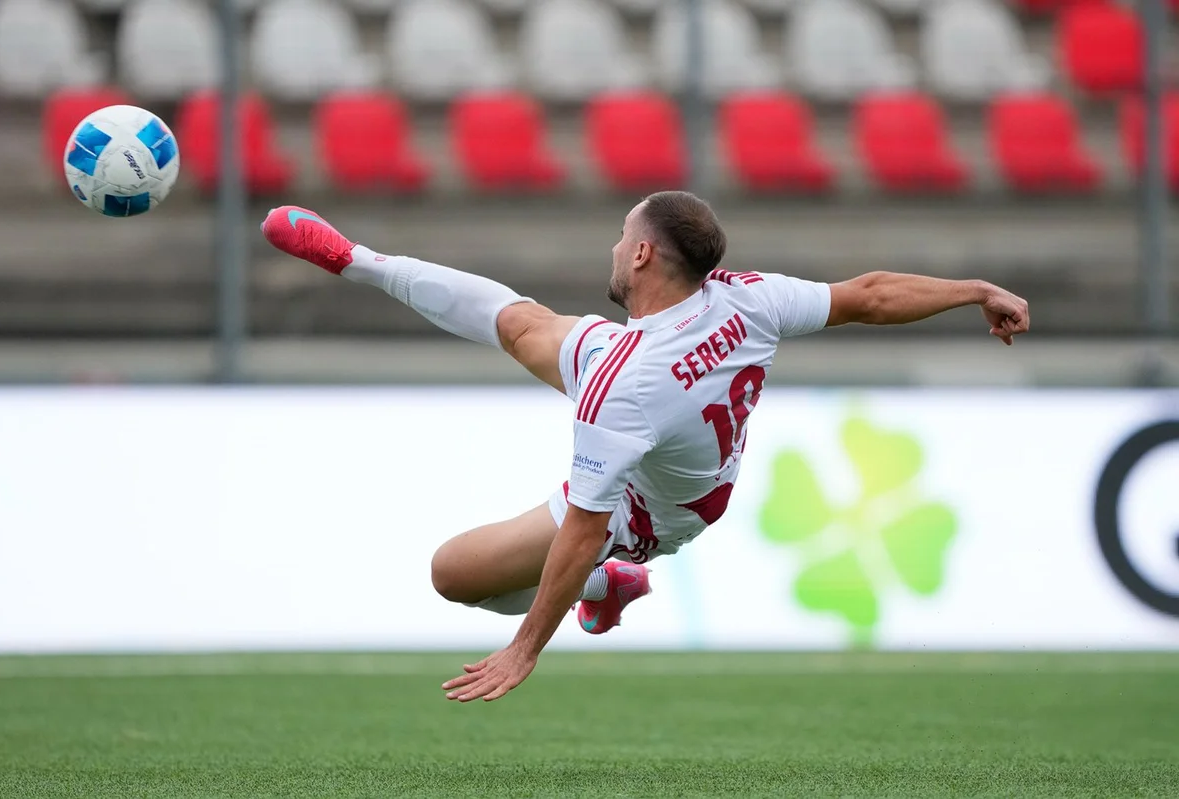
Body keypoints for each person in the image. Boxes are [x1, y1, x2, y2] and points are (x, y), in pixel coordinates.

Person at [262, 192, 1030, 703]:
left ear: (640, 258)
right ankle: (357, 259)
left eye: (620, 234)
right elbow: (869, 294)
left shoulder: (622, 389)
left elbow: (585, 525)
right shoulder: (744, 296)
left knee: (452, 573)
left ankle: (605, 588)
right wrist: (973, 289)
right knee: (524, 323)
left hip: (651, 510)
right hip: (671, 423)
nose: (612, 243)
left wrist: (528, 646)